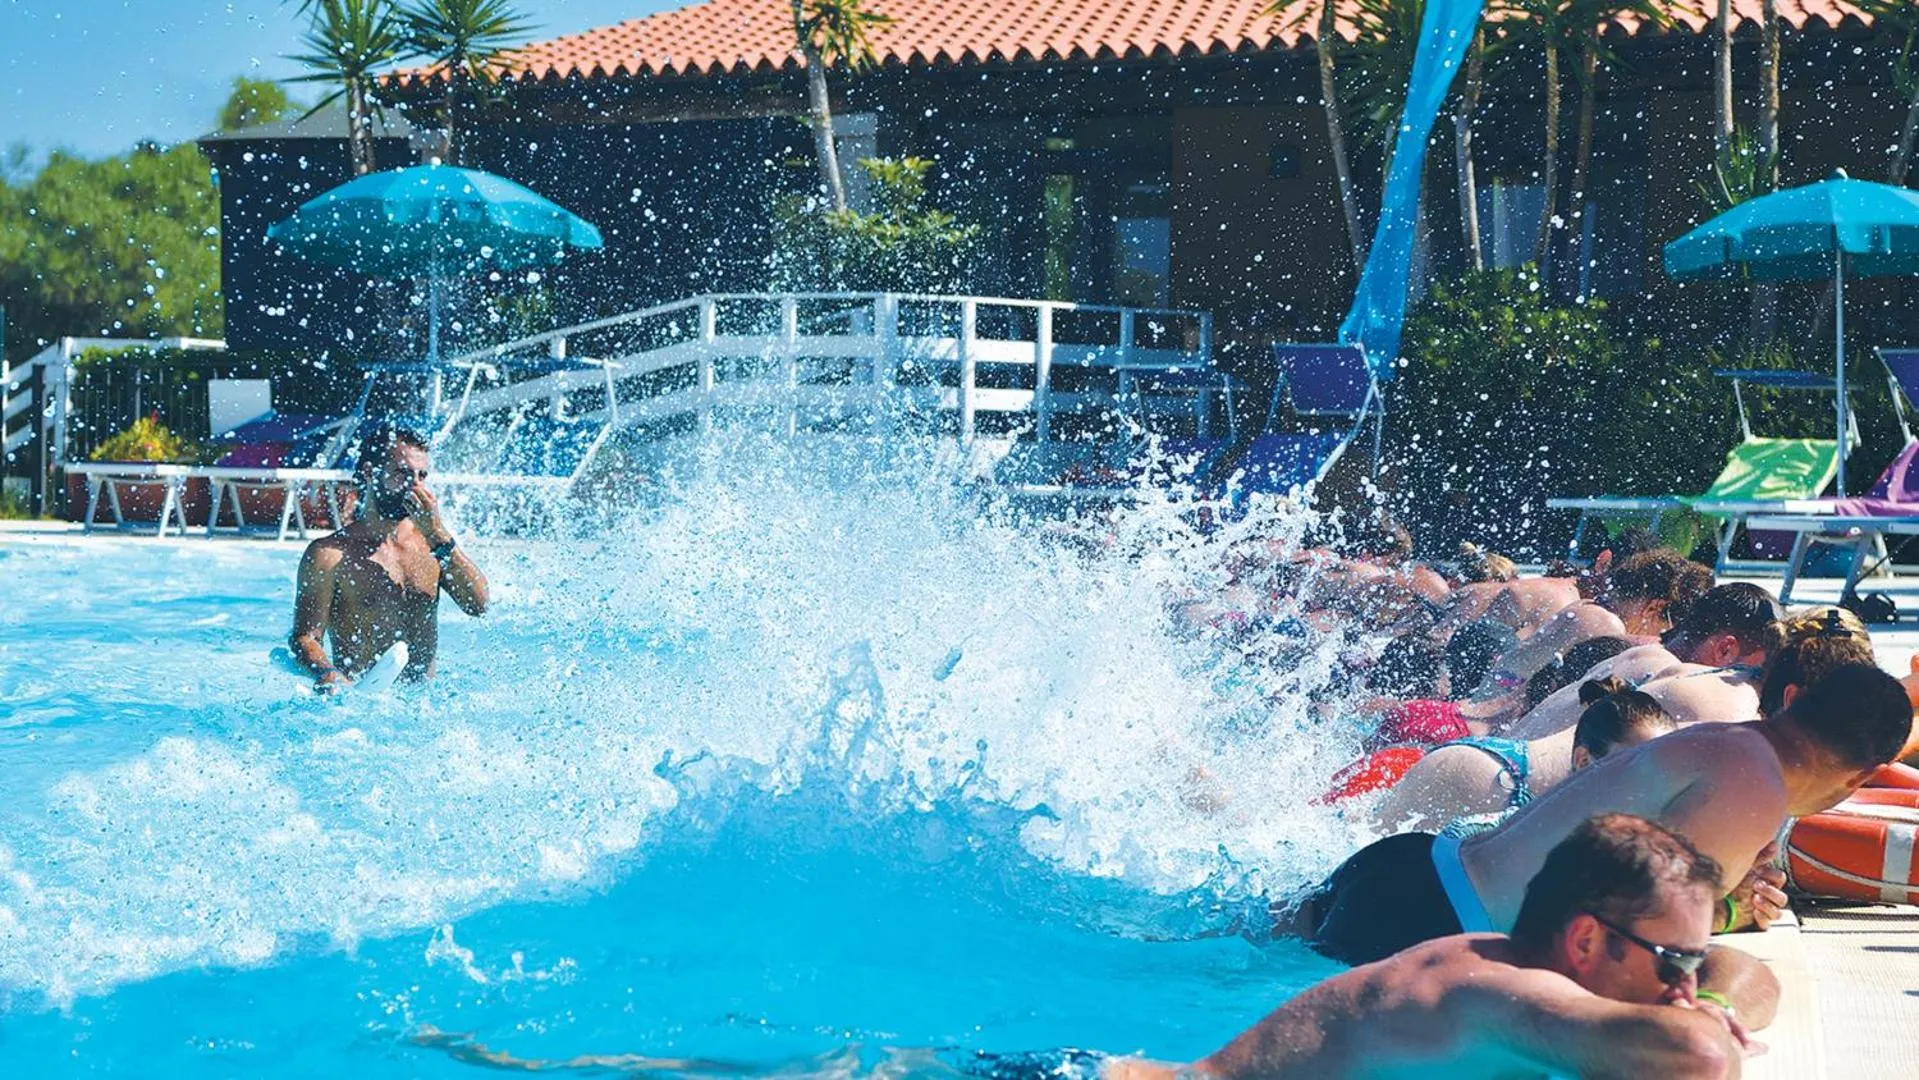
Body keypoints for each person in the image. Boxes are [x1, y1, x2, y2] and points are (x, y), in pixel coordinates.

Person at [1295, 661, 1912, 965]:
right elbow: (1646, 945)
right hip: (1433, 918)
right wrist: (1730, 909)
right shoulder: (1756, 787)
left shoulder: (1722, 738)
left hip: (1407, 869)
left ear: (1793, 701)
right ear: (1858, 778)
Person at [1124, 815, 1774, 1080]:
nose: (1684, 988)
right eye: (1675, 963)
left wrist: (1708, 994)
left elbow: (1745, 971)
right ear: (1584, 939)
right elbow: (1698, 1057)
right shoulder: (1496, 990)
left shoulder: (1510, 964)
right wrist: (1699, 1021)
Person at [287, 424, 489, 690]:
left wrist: (438, 534)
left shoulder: (434, 545)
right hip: (360, 702)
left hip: (423, 705)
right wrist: (326, 672)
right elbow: (305, 638)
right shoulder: (329, 554)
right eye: (403, 473)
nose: (416, 486)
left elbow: (478, 605)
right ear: (371, 473)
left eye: (422, 475)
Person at [1370, 678, 1676, 834]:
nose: (1652, 781)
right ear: (1584, 762)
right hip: (1489, 776)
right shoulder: (1489, 799)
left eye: (1664, 766)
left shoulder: (1654, 800)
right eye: (1637, 766)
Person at [1501, 582, 1785, 740]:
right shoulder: (1675, 683)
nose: (1751, 684)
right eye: (1751, 673)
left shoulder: (1630, 650)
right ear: (1725, 651)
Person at [1473, 549, 1714, 693]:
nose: (1667, 634)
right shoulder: (1606, 626)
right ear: (1655, 607)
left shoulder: (1586, 607)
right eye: (1669, 626)